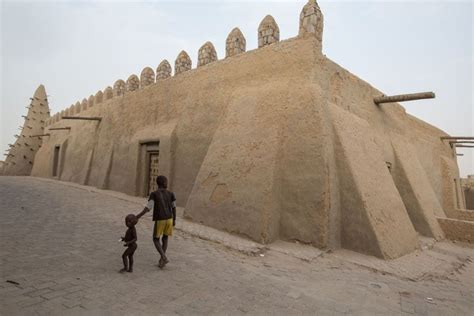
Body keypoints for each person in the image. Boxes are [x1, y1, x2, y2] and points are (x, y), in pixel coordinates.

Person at [137, 175, 176, 269]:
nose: (167, 183)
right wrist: (174, 220)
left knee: (155, 239)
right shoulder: (171, 193)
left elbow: (148, 207)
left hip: (160, 219)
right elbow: (174, 207)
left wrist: (138, 216)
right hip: (169, 219)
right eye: (166, 182)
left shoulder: (154, 194)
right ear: (163, 183)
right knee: (165, 238)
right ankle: (161, 260)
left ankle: (163, 257)